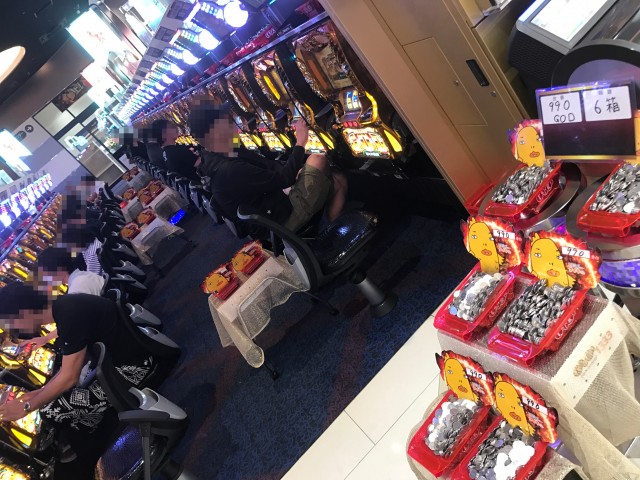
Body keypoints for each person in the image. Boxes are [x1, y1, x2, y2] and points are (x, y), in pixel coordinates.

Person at [0, 283, 153, 479]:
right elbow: (69, 370)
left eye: (12, 325)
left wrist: (27, 406)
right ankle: (100, 439)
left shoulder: (69, 316)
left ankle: (93, 461)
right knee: (55, 402)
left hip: (132, 369)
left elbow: (69, 377)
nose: (15, 332)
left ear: (23, 313)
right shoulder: (64, 307)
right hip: (120, 360)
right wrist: (38, 393)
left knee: (51, 411)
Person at [188, 102, 347, 234]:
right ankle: (327, 235)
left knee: (338, 180)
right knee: (317, 159)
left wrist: (292, 172)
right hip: (281, 222)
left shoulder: (217, 157)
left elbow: (269, 169)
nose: (231, 123)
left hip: (272, 209)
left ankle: (331, 232)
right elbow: (284, 179)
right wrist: (300, 142)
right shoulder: (228, 169)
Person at [23, 247, 107, 349]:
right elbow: (71, 321)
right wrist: (46, 338)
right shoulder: (81, 277)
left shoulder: (77, 289)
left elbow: (76, 325)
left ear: (59, 270)